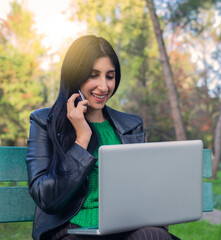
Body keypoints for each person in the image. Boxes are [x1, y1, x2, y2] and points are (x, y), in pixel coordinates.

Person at [26, 35, 178, 240]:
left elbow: (142, 188)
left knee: (153, 236)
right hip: (72, 228)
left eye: (109, 76)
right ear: (75, 76)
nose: (104, 86)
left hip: (124, 224)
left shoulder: (130, 125)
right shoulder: (45, 122)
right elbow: (46, 198)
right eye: (93, 75)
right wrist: (81, 139)